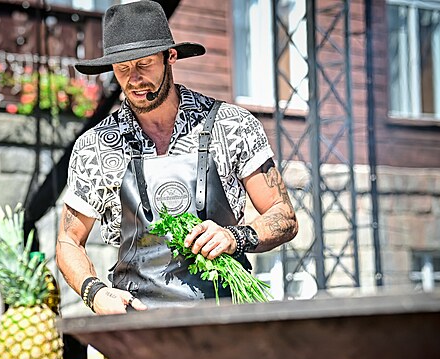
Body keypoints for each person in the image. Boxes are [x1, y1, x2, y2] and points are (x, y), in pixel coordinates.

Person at [56, 0, 297, 315]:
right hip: (138, 322)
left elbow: (284, 215)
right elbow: (68, 241)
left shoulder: (232, 125)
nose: (134, 79)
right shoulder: (95, 146)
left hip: (229, 319)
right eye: (123, 68)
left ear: (170, 57)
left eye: (144, 64)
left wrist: (235, 237)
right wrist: (95, 293)